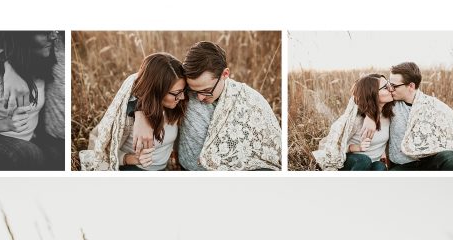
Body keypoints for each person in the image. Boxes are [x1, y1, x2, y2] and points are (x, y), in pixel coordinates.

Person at [130, 40, 282, 171]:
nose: (201, 97)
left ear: (225, 74)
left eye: (207, 91)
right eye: (194, 91)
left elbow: (271, 157)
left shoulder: (251, 102)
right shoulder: (183, 89)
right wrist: (140, 111)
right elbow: (145, 82)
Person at [0, 31, 64, 170]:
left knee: (58, 155)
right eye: (44, 33)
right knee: (30, 153)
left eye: (53, 31)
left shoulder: (41, 68)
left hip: (30, 139)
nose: (53, 37)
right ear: (22, 38)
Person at [79, 53, 187, 171]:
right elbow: (100, 147)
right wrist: (131, 158)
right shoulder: (127, 115)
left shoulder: (174, 106)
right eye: (176, 93)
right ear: (157, 90)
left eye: (183, 91)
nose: (181, 97)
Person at [366, 62, 453, 170]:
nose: (390, 89)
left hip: (430, 162)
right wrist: (370, 116)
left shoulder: (436, 107)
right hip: (403, 165)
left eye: (394, 86)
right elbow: (363, 95)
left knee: (452, 158)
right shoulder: (390, 102)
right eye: (389, 84)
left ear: (411, 86)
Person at [313, 73, 393, 171]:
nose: (391, 88)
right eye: (385, 87)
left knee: (380, 167)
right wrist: (357, 147)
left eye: (388, 83)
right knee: (364, 160)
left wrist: (383, 154)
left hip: (373, 163)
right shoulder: (356, 119)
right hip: (353, 162)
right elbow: (334, 146)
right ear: (372, 94)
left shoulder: (390, 114)